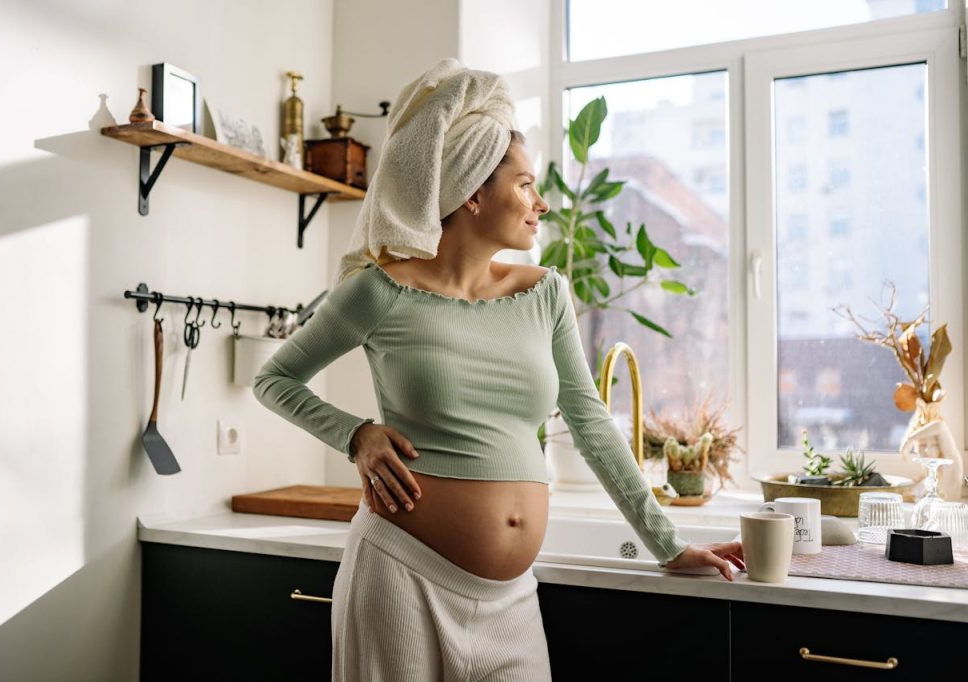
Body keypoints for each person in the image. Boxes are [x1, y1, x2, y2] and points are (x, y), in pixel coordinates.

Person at [254, 58, 744, 682]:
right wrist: (356, 434)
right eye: (525, 186)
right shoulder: (379, 292)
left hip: (512, 602)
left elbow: (590, 420)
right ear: (472, 193)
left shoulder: (545, 293)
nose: (541, 204)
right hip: (401, 576)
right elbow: (274, 379)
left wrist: (667, 543)